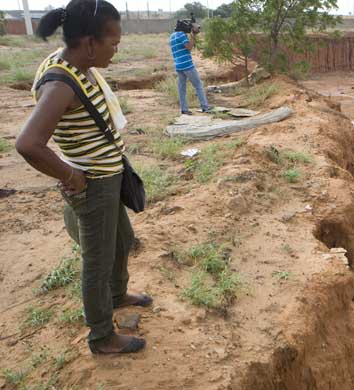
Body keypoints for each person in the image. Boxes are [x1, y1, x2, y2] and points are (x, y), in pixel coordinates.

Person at [16, 0, 152, 354]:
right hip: (92, 185)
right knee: (97, 261)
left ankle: (118, 294)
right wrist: (70, 174)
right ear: (90, 43)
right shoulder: (61, 84)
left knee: (121, 242)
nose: (116, 49)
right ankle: (102, 336)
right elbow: (28, 143)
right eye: (114, 42)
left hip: (108, 175)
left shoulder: (79, 65)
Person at [169, 19, 213, 115]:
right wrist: (193, 35)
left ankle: (184, 109)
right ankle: (205, 107)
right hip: (187, 65)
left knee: (182, 88)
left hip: (178, 66)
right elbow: (189, 47)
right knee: (198, 85)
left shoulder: (172, 36)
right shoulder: (181, 35)